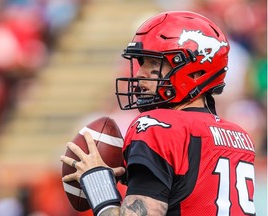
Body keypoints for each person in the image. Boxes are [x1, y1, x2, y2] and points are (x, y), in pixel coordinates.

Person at [60, 11, 256, 216]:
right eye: (142, 62)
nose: (139, 73)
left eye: (154, 63)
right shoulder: (239, 136)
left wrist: (96, 180)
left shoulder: (157, 126)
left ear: (195, 72)